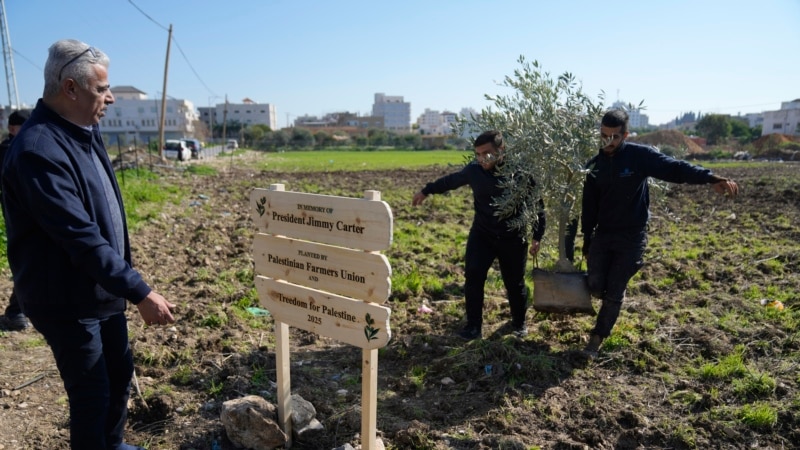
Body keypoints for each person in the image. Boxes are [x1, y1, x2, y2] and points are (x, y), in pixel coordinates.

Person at [2, 39, 176, 450]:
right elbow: (78, 235)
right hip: (65, 298)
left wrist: (123, 285)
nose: (111, 97)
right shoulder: (38, 150)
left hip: (99, 289)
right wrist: (140, 291)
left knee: (118, 377)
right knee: (91, 395)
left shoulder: (84, 131)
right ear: (70, 88)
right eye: (102, 89)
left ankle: (111, 445)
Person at [580, 109, 738, 357]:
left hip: (632, 237)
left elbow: (674, 169)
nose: (608, 142)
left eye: (614, 137)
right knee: (595, 284)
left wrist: (710, 178)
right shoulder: (595, 165)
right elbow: (588, 207)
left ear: (626, 135)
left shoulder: (638, 157)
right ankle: (606, 292)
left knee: (615, 289)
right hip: (604, 234)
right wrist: (587, 240)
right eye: (603, 136)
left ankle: (596, 340)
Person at [412, 130, 546, 340]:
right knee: (473, 277)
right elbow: (451, 181)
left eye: (487, 153)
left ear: (501, 150)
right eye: (478, 154)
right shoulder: (474, 171)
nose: (482, 159)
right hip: (482, 235)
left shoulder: (520, 174)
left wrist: (538, 236)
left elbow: (538, 206)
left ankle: (519, 324)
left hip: (513, 237)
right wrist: (426, 190)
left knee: (514, 282)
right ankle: (473, 326)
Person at [0, 109, 30, 330]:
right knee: (27, 259)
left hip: (36, 213)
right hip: (20, 216)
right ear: (12, 129)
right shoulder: (7, 151)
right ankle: (15, 311)